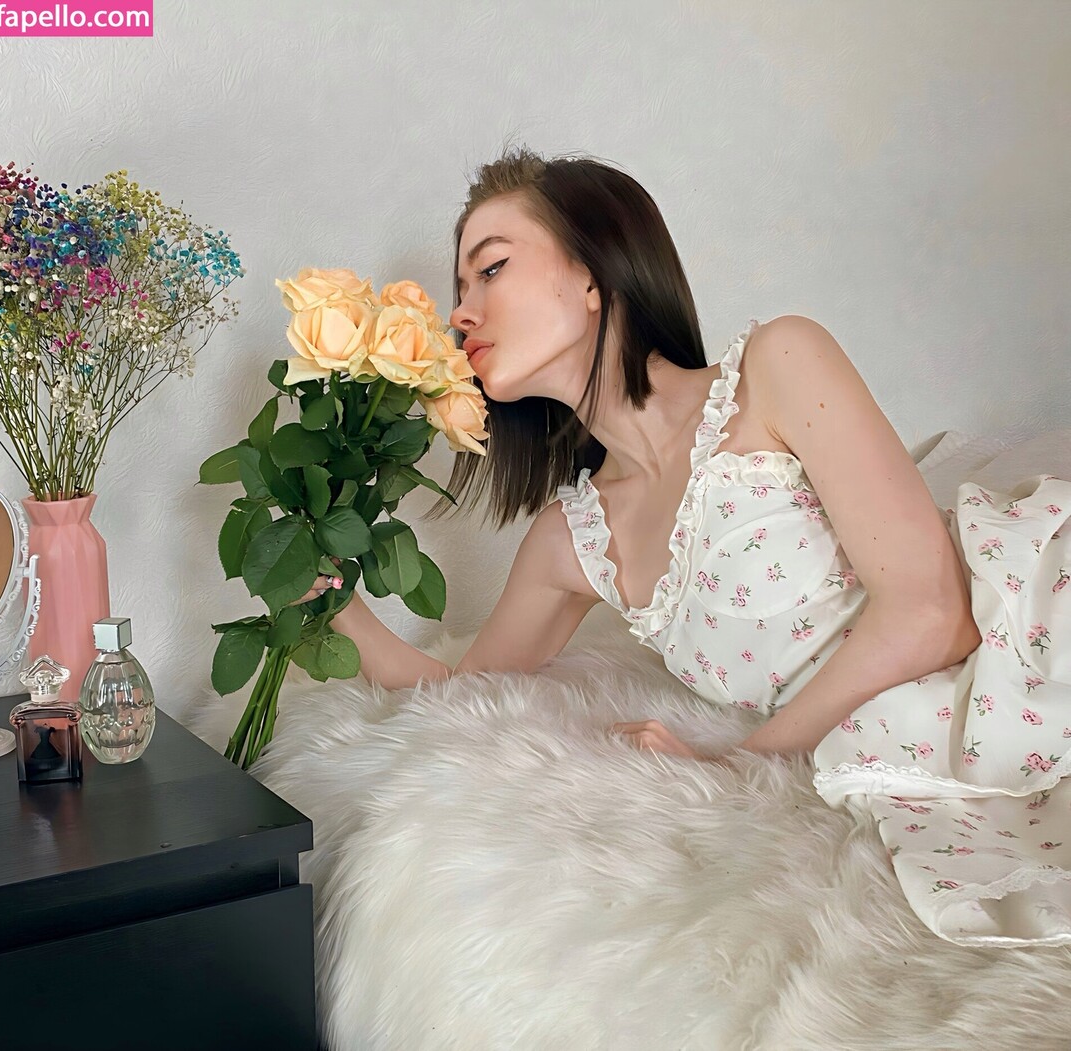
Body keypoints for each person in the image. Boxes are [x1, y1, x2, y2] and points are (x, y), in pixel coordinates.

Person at [299, 147, 1071, 948]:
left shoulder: (777, 366)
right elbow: (465, 691)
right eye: (460, 289)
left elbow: (935, 613)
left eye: (490, 269)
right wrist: (337, 606)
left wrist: (738, 759)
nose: (461, 313)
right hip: (911, 728)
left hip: (1034, 615)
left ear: (592, 274)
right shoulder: (574, 538)